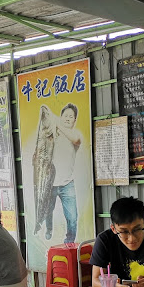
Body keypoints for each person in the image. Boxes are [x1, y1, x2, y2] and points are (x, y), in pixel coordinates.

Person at [90, 196, 144, 287]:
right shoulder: (105, 240)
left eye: (137, 229)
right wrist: (111, 286)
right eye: (124, 232)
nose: (131, 238)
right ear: (113, 229)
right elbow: (95, 281)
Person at [45, 103, 82, 243]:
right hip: (50, 183)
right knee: (48, 212)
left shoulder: (75, 134)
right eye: (65, 115)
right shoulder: (52, 134)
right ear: (61, 117)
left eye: (71, 116)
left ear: (74, 120)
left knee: (72, 218)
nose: (68, 118)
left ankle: (70, 242)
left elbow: (76, 140)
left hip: (68, 184)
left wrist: (56, 121)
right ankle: (49, 228)